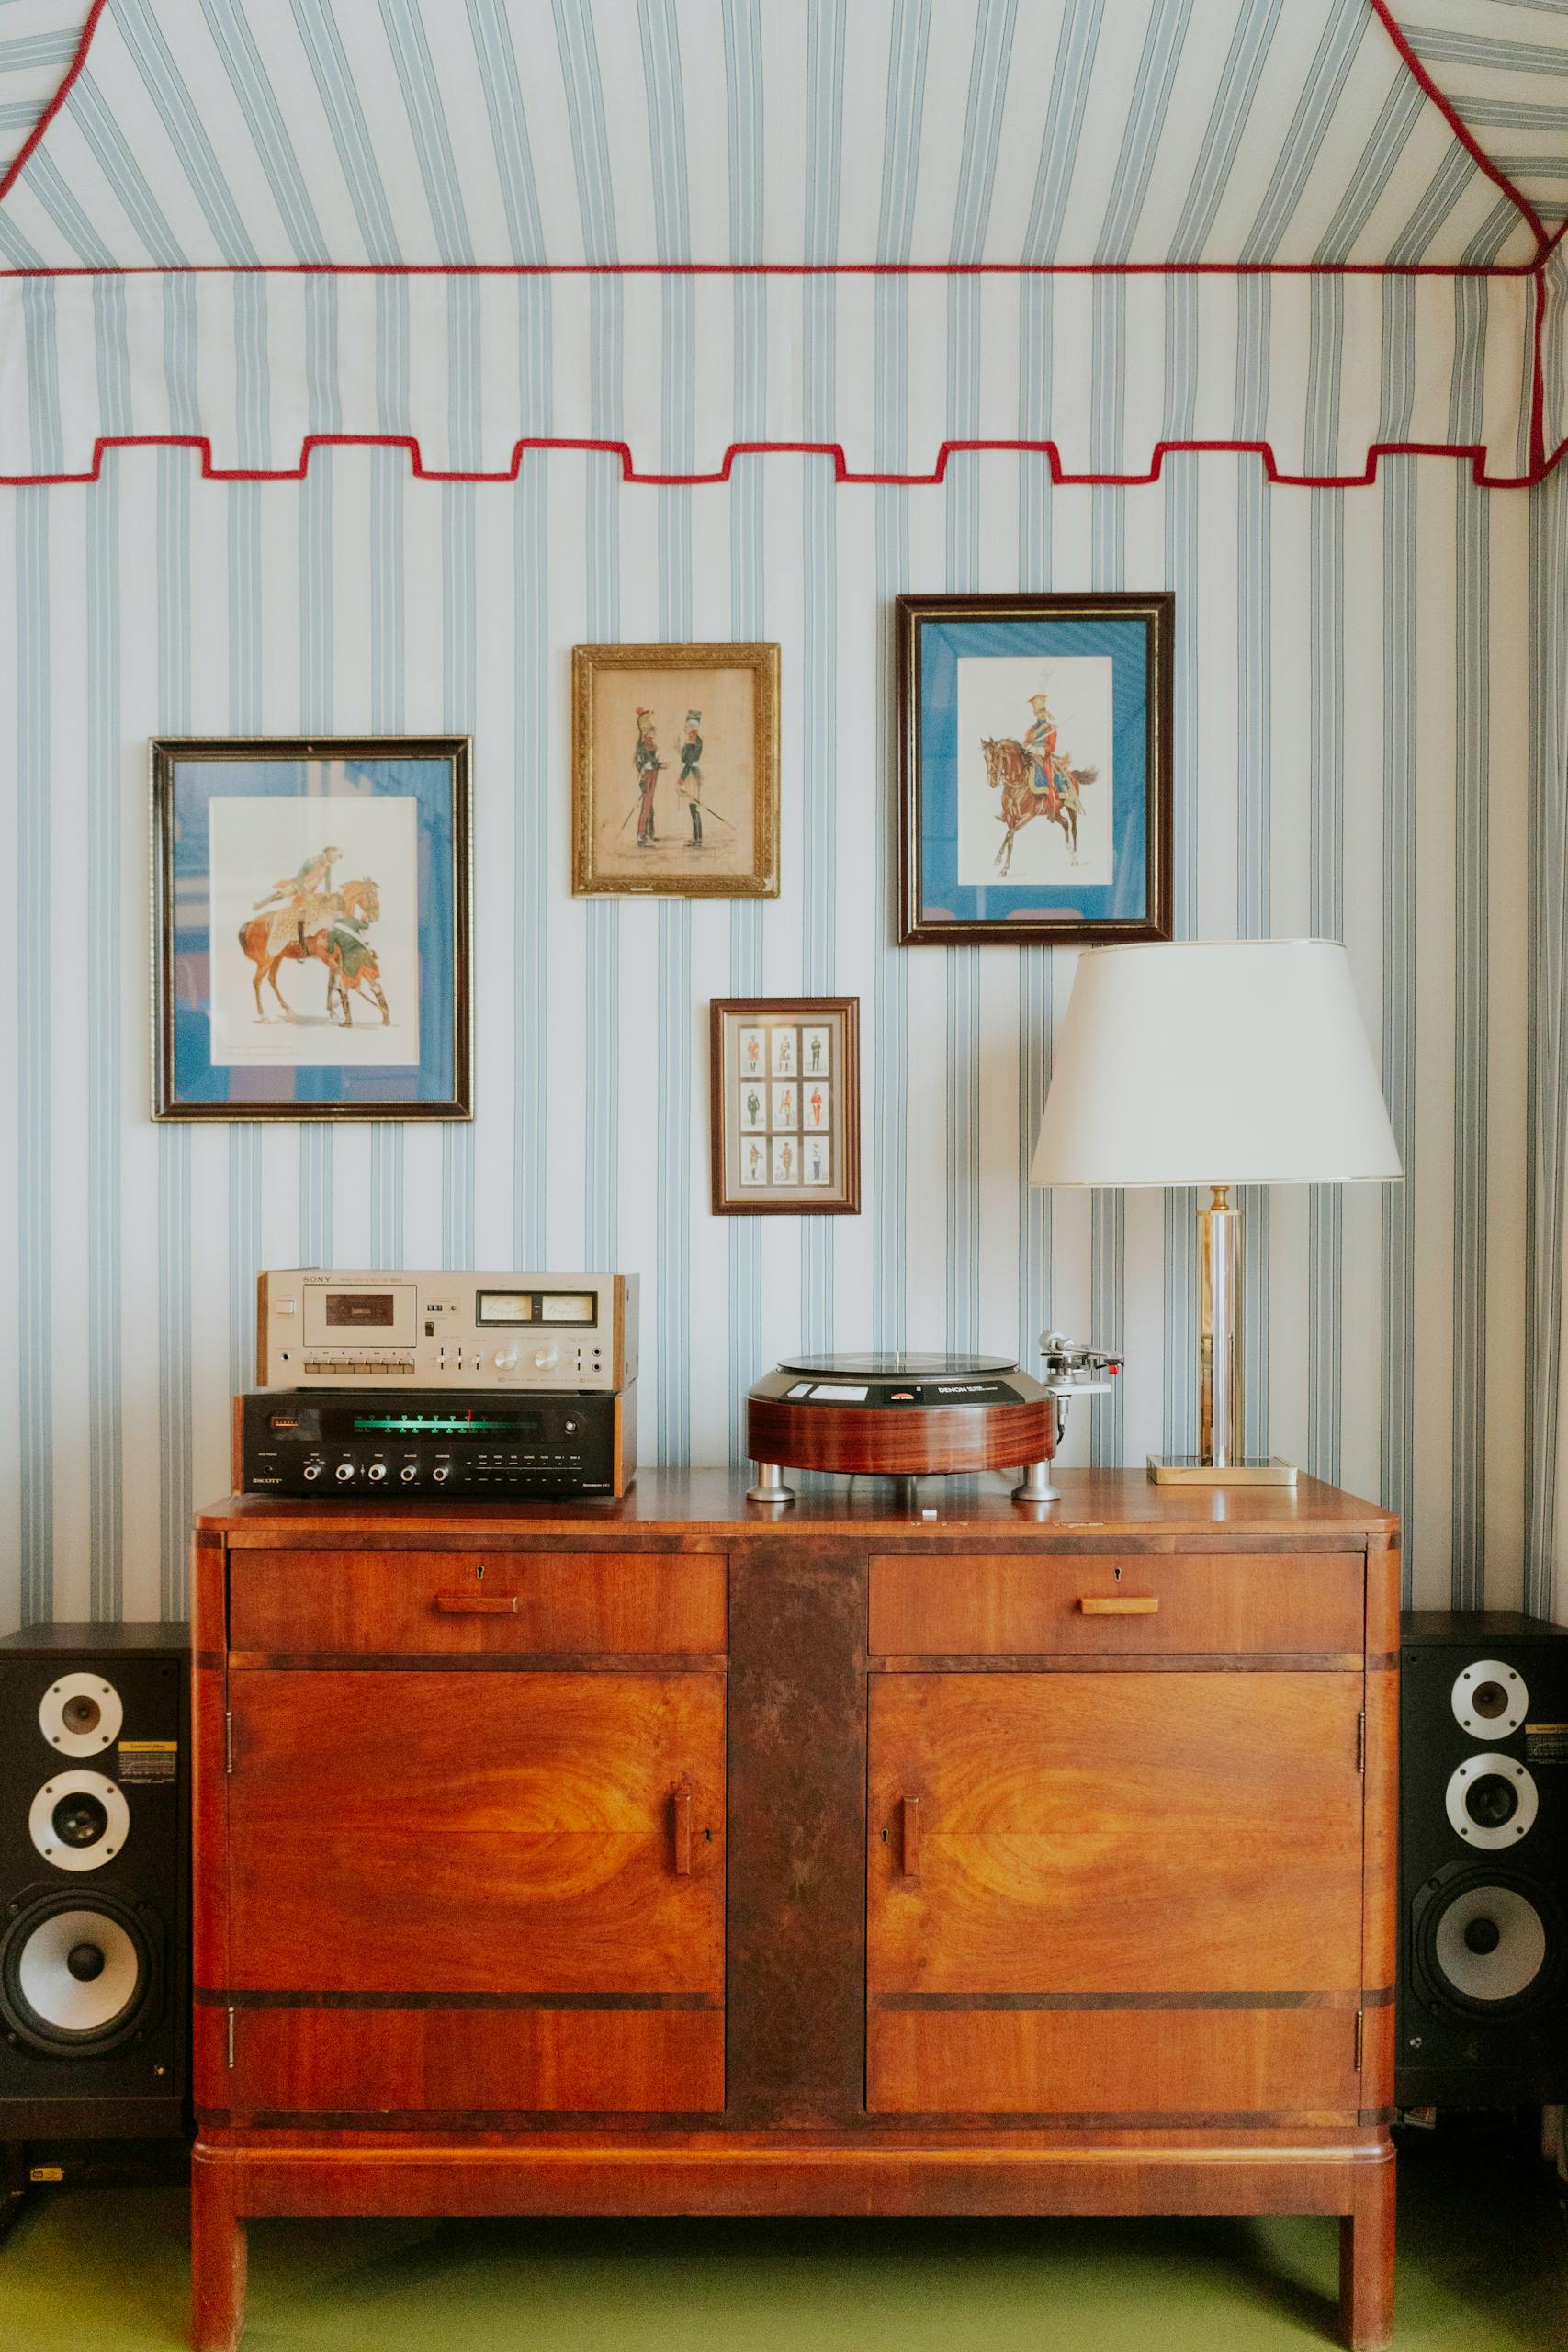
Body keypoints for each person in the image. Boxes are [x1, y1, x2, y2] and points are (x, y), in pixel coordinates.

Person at [254, 844, 340, 956]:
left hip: (310, 893)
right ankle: (261, 903)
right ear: (325, 855)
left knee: (304, 915)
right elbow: (299, 877)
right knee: (284, 893)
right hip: (299, 886)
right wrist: (304, 891)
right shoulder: (311, 862)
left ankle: (302, 944)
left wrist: (327, 892)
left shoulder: (328, 867)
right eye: (330, 858)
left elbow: (328, 880)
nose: (331, 862)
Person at [633, 709, 663, 845]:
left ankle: (649, 834)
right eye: (653, 731)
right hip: (647, 778)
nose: (655, 733)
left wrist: (660, 765)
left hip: (653, 775)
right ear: (646, 732)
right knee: (646, 806)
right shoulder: (643, 745)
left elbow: (653, 763)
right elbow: (641, 763)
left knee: (649, 806)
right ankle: (641, 836)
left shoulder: (651, 744)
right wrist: (649, 767)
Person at [676, 709, 704, 846]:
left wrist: (680, 781)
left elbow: (687, 763)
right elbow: (686, 758)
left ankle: (697, 838)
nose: (685, 729)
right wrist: (678, 748)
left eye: (687, 726)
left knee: (693, 806)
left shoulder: (691, 742)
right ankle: (696, 837)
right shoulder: (697, 741)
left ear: (692, 728)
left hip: (691, 775)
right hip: (693, 774)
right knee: (694, 806)